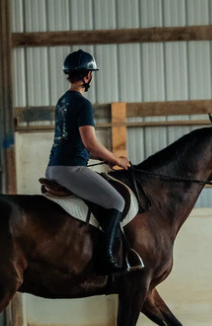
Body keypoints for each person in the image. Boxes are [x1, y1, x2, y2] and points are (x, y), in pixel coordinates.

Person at [46, 49, 133, 275]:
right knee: (116, 202)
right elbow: (91, 144)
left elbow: (78, 144)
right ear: (88, 76)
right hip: (70, 170)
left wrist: (105, 158)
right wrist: (118, 161)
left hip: (54, 167)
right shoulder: (83, 104)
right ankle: (106, 259)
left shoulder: (63, 101)